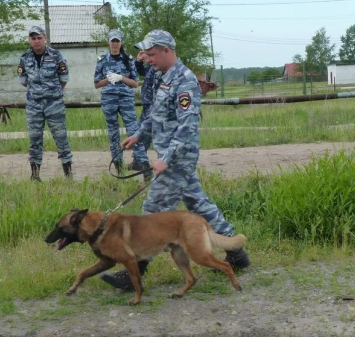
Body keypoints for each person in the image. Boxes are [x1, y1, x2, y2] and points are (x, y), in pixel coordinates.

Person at [100, 30, 250, 290]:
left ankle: (134, 271)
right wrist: (138, 136)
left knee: (151, 213)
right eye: (145, 53)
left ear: (167, 51)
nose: (146, 58)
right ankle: (237, 254)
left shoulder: (185, 81)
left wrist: (166, 159)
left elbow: (187, 126)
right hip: (171, 154)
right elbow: (155, 114)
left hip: (179, 156)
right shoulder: (162, 76)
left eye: (152, 53)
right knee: (197, 203)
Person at [94, 29, 151, 180]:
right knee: (113, 134)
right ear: (108, 42)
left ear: (121, 42)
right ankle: (119, 170)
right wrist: (109, 79)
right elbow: (97, 84)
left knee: (134, 132)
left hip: (126, 99)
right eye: (112, 41)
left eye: (117, 41)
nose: (115, 44)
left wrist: (121, 78)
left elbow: (134, 83)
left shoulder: (128, 59)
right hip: (109, 100)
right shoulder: (102, 60)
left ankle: (145, 167)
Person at [18, 25, 73, 181]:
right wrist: (38, 91)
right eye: (33, 38)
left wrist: (51, 92)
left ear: (45, 38)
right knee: (35, 139)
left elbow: (64, 78)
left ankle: (68, 175)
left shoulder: (56, 55)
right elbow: (23, 80)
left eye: (39, 38)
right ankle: (35, 175)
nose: (36, 41)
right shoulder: (25, 58)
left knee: (61, 138)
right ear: (30, 40)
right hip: (34, 105)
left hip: (54, 103)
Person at [126, 50, 155, 171]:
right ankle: (137, 160)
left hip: (154, 105)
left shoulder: (160, 68)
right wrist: (138, 61)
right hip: (147, 104)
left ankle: (140, 161)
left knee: (146, 133)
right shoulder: (152, 68)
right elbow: (141, 71)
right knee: (141, 131)